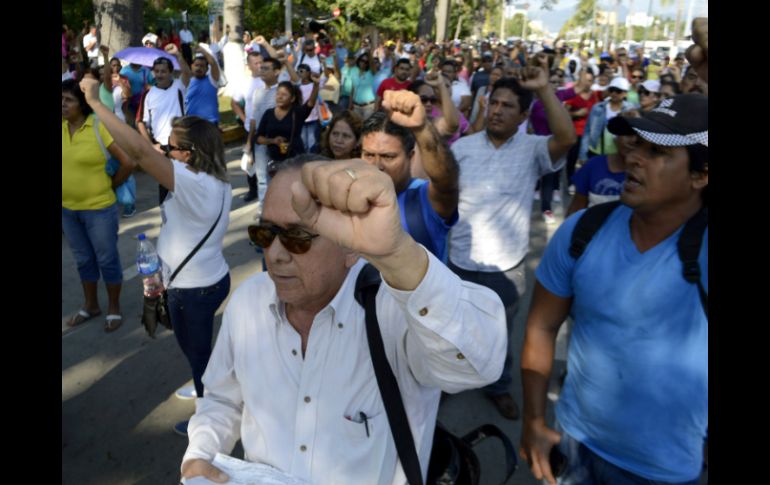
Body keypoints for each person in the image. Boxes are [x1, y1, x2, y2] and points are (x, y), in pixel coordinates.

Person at [179, 156, 507, 484]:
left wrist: (397, 254)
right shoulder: (246, 303)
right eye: (265, 233)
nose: (276, 254)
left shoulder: (394, 312)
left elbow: (478, 363)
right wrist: (199, 455)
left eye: (298, 237)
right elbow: (222, 396)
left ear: (351, 249)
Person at [519, 94, 708, 485]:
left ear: (700, 175)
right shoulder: (582, 231)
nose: (635, 157)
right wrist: (534, 419)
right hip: (575, 445)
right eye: (637, 144)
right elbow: (540, 327)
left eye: (657, 152)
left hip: (666, 470)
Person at [80, 75, 233, 436]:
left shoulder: (194, 182)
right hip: (204, 280)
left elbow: (138, 153)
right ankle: (203, 388)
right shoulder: (212, 179)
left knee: (200, 358)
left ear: (190, 153)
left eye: (172, 146)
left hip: (193, 289)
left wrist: (96, 103)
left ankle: (210, 421)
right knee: (200, 351)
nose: (166, 151)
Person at [449, 71, 577, 420]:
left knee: (500, 332)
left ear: (523, 117)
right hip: (459, 259)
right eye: (494, 103)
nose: (497, 111)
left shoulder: (533, 149)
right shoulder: (462, 148)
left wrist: (544, 89)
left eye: (508, 106)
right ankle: (450, 382)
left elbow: (566, 136)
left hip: (505, 265)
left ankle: (498, 387)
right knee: (454, 329)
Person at [62, 79, 135, 332]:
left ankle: (113, 308)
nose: (62, 104)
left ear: (82, 103)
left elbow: (127, 162)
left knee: (107, 259)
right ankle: (90, 305)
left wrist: (111, 185)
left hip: (99, 209)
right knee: (83, 260)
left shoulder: (97, 127)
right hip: (68, 210)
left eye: (68, 100)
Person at [361, 90, 460, 262]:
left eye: (388, 157)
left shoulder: (424, 200)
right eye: (369, 155)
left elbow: (446, 182)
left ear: (411, 156)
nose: (377, 166)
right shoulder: (348, 195)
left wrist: (421, 128)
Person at [565, 109, 641, 216]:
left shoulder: (649, 171)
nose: (633, 140)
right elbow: (576, 209)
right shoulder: (592, 166)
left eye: (638, 135)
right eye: (627, 133)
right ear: (615, 138)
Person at [255, 78, 320, 174]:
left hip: (295, 161)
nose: (280, 97)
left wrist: (316, 85)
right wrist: (272, 141)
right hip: (275, 163)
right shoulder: (268, 113)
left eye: (284, 95)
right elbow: (258, 138)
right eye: (278, 94)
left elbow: (310, 103)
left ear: (292, 98)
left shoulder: (297, 113)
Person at [185, 48, 221, 125]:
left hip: (210, 123)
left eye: (202, 66)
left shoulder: (212, 80)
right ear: (191, 66)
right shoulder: (186, 82)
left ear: (207, 69)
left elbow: (213, 63)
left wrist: (203, 51)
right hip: (192, 124)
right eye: (196, 65)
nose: (198, 68)